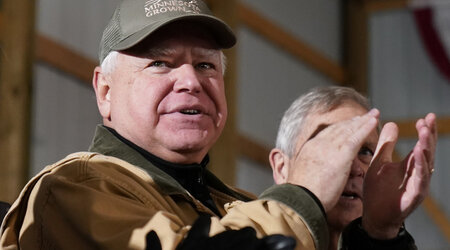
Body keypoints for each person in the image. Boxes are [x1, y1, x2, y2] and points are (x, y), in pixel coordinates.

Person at [0, 0, 436, 249]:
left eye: (206, 65)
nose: (191, 81)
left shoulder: (237, 207)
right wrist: (300, 197)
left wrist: (379, 235)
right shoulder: (72, 192)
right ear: (105, 91)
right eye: (160, 62)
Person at [269, 86, 437, 250]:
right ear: (281, 167)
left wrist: (382, 237)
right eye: (333, 146)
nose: (354, 167)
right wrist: (298, 204)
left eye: (365, 152)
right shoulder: (243, 225)